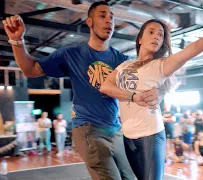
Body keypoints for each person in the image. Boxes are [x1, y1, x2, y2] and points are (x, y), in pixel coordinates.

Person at [2, 1, 161, 179]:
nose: (109, 20)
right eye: (102, 16)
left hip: (115, 129)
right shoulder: (71, 54)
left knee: (132, 177)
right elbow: (29, 69)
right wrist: (17, 41)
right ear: (89, 22)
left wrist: (158, 91)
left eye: (112, 17)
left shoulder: (121, 59)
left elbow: (145, 81)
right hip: (89, 128)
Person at [100, 19, 203, 179]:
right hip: (128, 135)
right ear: (140, 39)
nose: (156, 37)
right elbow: (105, 87)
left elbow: (189, 52)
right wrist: (133, 96)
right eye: (151, 32)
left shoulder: (160, 65)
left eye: (160, 35)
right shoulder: (124, 66)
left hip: (150, 134)